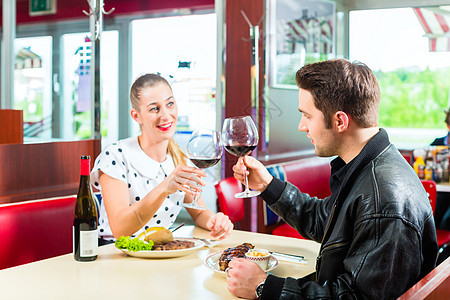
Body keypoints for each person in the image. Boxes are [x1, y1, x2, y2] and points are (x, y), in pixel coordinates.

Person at [226, 59, 438, 299]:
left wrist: (263, 286)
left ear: (340, 121)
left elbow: (354, 297)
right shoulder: (369, 164)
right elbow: (323, 221)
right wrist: (268, 186)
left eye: (307, 116)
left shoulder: (384, 201)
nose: (301, 126)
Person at [90, 73, 233, 243]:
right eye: (154, 109)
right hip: (114, 253)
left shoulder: (178, 158)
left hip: (158, 252)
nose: (165, 115)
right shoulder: (115, 156)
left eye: (170, 104)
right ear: (136, 116)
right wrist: (164, 187)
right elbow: (120, 229)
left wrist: (214, 221)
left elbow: (199, 211)